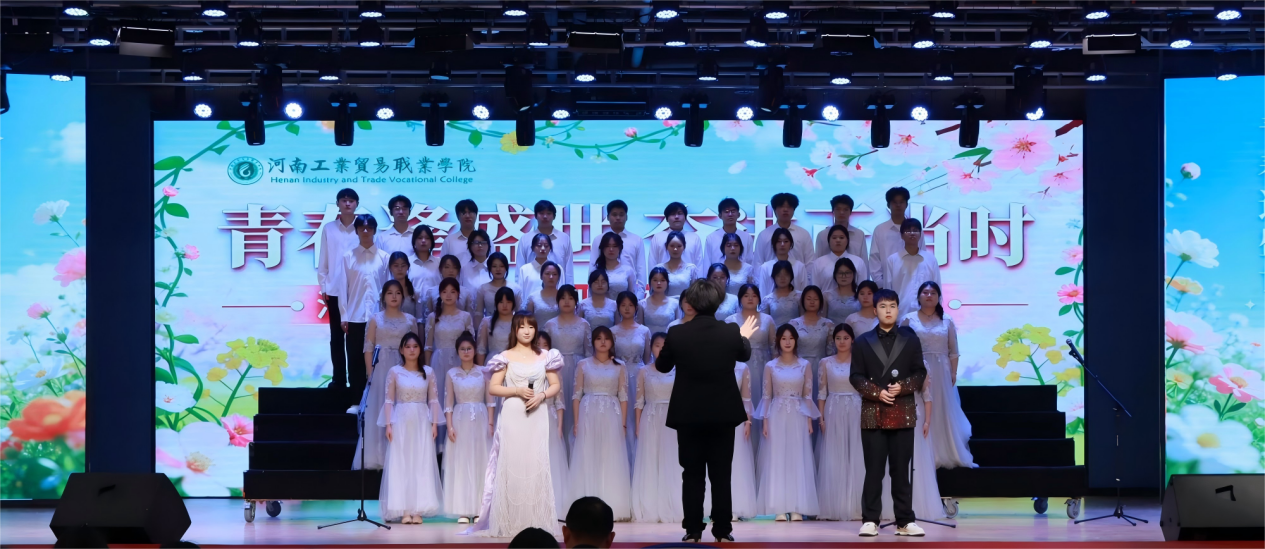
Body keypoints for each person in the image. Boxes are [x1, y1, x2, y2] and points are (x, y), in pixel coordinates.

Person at [655, 279, 759, 543]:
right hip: (722, 414)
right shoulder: (730, 331)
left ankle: (693, 530)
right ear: (718, 302)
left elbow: (662, 367)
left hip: (688, 415)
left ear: (690, 303)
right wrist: (743, 337)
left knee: (692, 473)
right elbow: (744, 354)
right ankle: (722, 530)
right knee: (721, 473)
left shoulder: (677, 333)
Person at [473, 313, 564, 537]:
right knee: (512, 463)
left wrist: (541, 395)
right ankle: (511, 521)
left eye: (531, 327)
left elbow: (555, 385)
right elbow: (493, 387)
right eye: (522, 327)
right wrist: (517, 390)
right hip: (513, 413)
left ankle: (535, 521)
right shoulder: (504, 357)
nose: (526, 331)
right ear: (515, 330)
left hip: (537, 413)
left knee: (536, 463)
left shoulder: (546, 356)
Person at [850, 289, 928, 537]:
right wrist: (877, 392)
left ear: (898, 309)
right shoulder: (862, 341)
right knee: (873, 470)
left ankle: (904, 521)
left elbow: (920, 373)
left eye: (892, 306)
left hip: (902, 411)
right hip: (873, 413)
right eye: (883, 306)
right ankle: (870, 520)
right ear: (874, 310)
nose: (888, 311)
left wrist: (902, 387)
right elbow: (855, 376)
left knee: (900, 470)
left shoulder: (910, 339)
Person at [901, 281, 975, 469]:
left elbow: (953, 351)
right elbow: (901, 348)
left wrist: (953, 372)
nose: (929, 296)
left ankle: (944, 451)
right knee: (920, 408)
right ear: (919, 296)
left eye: (933, 293)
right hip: (917, 369)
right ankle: (921, 453)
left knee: (941, 408)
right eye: (925, 292)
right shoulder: (908, 319)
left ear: (939, 297)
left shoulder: (947, 320)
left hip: (942, 371)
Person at [755, 324, 821, 521]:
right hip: (776, 413)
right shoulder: (770, 366)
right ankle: (779, 507)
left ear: (796, 341)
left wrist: (809, 420)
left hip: (798, 414)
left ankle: (797, 507)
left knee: (797, 457)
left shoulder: (804, 365)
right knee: (777, 457)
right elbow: (766, 396)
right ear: (778, 341)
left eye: (791, 338)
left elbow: (807, 395)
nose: (787, 342)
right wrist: (765, 421)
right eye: (783, 338)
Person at [569, 326, 632, 521]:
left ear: (612, 342)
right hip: (588, 412)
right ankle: (586, 507)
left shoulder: (620, 366)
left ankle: (612, 504)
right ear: (593, 342)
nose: (603, 342)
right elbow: (576, 395)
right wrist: (577, 422)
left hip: (612, 413)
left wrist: (623, 424)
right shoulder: (583, 364)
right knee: (588, 455)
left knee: (610, 456)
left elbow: (623, 397)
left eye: (606, 338)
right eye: (598, 338)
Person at [380, 332, 444, 524]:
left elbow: (433, 400)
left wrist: (434, 424)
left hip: (422, 420)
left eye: (415, 346)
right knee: (402, 462)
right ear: (401, 349)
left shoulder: (428, 372)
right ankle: (405, 509)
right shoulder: (394, 372)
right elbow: (389, 400)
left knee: (421, 461)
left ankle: (418, 510)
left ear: (420, 349)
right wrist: (388, 425)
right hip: (401, 420)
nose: (411, 350)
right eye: (407, 346)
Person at [353, 280, 417, 470]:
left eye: (398, 293)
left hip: (404, 367)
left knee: (402, 408)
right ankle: (378, 457)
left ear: (403, 297)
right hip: (381, 369)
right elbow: (368, 347)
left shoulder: (410, 320)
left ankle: (402, 456)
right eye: (390, 293)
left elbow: (415, 346)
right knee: (380, 408)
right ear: (383, 297)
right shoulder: (375, 319)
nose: (394, 296)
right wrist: (370, 373)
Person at [631, 325, 682, 523]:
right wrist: (638, 425)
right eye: (657, 345)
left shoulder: (679, 370)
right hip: (650, 417)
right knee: (651, 459)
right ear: (651, 348)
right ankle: (651, 506)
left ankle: (675, 504)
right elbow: (639, 401)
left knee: (673, 460)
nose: (660, 349)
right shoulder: (643, 371)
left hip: (673, 418)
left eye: (664, 345)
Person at [444, 331, 495, 523]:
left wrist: (490, 423)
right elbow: (448, 403)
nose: (466, 352)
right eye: (462, 349)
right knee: (462, 461)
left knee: (481, 460)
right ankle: (463, 510)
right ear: (457, 352)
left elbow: (490, 400)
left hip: (480, 418)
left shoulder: (484, 371)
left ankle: (481, 508)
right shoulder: (451, 373)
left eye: (469, 348)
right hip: (460, 418)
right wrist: (449, 426)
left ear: (474, 350)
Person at [816, 324, 865, 521]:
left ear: (852, 340)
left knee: (856, 454)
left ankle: (856, 506)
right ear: (833, 341)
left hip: (856, 408)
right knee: (835, 455)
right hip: (833, 408)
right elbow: (821, 392)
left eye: (846, 338)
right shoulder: (825, 363)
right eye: (838, 338)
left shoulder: (861, 361)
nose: (842, 341)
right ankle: (834, 506)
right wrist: (821, 417)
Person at [340, 213, 390, 406]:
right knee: (354, 360)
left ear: (375, 230)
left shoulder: (384, 258)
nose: (366, 231)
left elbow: (388, 288)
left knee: (379, 361)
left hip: (379, 318)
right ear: (357, 231)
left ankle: (378, 403)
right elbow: (342, 288)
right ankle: (356, 402)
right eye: (362, 227)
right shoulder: (348, 257)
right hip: (355, 317)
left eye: (369, 227)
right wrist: (344, 316)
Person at [318, 189, 361, 398]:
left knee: (356, 338)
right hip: (334, 290)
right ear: (337, 203)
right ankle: (338, 379)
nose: (347, 204)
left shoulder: (363, 227)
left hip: (357, 290)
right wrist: (324, 287)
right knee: (336, 337)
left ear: (357, 204)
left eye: (351, 200)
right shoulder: (329, 228)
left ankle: (357, 379)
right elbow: (323, 260)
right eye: (344, 200)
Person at [725, 284, 776, 446]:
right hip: (738, 368)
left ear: (759, 299)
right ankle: (742, 445)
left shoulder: (768, 319)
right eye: (746, 295)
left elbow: (774, 348)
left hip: (762, 367)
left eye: (754, 295)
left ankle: (762, 445)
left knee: (761, 400)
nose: (750, 298)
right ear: (740, 298)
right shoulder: (730, 320)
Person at [545, 285, 593, 442]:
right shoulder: (550, 324)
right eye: (563, 298)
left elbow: (589, 352)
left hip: (578, 369)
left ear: (576, 302)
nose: (566, 301)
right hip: (556, 369)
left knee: (576, 407)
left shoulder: (584, 324)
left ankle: (576, 447)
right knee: (558, 405)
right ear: (557, 301)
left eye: (571, 298)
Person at [533, 332, 572, 519]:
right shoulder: (527, 368)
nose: (541, 347)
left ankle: (553, 506)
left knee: (551, 460)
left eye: (545, 344)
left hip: (549, 417)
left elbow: (559, 401)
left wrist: (559, 426)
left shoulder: (554, 372)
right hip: (532, 417)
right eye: (538, 344)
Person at [611, 292, 652, 464]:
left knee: (639, 415)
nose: (627, 308)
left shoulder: (644, 330)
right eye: (623, 305)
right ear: (618, 308)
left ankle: (640, 461)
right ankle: (622, 461)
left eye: (630, 305)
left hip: (639, 376)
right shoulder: (612, 331)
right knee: (621, 416)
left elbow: (648, 358)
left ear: (636, 308)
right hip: (618, 377)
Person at [424, 277, 476, 415]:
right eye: (444, 291)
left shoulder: (465, 316)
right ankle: (440, 428)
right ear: (440, 294)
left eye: (452, 292)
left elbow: (471, 343)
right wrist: (427, 369)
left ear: (458, 294)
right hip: (438, 361)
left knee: (461, 395)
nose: (448, 295)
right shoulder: (432, 317)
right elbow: (428, 346)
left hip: (460, 360)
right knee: (439, 395)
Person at [882, 218, 941, 318]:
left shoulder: (931, 259)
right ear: (901, 235)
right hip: (900, 315)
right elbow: (887, 291)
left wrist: (938, 314)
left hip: (928, 315)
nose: (912, 233)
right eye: (908, 230)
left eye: (915, 230)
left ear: (920, 234)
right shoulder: (892, 260)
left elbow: (937, 288)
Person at [868, 187, 925, 285]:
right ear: (888, 205)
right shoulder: (880, 229)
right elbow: (874, 258)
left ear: (906, 204)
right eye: (895, 202)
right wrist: (880, 284)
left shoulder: (916, 229)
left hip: (913, 283)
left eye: (901, 202)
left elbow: (922, 254)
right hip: (887, 284)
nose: (898, 205)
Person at [789, 285, 834, 399]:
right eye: (808, 299)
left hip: (820, 368)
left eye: (815, 299)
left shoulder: (828, 324)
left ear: (821, 302)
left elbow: (830, 352)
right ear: (803, 301)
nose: (812, 302)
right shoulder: (794, 324)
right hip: (798, 368)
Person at [518, 200, 575, 285]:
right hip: (532, 288)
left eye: (548, 213)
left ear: (554, 216)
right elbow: (519, 269)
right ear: (535, 216)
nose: (545, 216)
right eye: (541, 213)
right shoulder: (525, 239)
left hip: (558, 289)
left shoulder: (564, 238)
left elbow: (568, 270)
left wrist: (569, 289)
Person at [592, 200, 646, 288]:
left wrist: (639, 293)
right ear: (608, 217)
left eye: (621, 215)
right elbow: (593, 267)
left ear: (626, 217)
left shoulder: (636, 240)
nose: (618, 218)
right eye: (614, 214)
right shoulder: (599, 239)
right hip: (604, 291)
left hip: (629, 291)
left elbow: (641, 269)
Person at [730, 360, 759, 520]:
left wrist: (748, 421)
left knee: (737, 460)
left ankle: (736, 506)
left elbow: (746, 398)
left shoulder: (742, 367)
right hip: (715, 417)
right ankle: (716, 507)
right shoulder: (711, 360)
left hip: (736, 417)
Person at [754, 193, 814, 266]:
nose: (785, 210)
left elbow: (809, 262)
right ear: (774, 210)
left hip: (797, 273)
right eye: (781, 206)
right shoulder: (764, 234)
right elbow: (758, 262)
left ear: (794, 210)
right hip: (770, 273)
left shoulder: (803, 234)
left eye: (789, 207)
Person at [810, 225, 868, 293]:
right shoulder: (819, 263)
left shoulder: (858, 262)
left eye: (841, 237)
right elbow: (815, 290)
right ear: (828, 241)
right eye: (834, 238)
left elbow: (863, 289)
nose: (838, 240)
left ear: (847, 240)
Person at [702, 198, 756, 268]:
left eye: (733, 211)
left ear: (738, 214)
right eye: (726, 211)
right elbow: (707, 264)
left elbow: (750, 262)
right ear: (720, 215)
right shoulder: (711, 238)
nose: (730, 214)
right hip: (717, 274)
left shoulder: (746, 237)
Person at [420, 255, 475, 323]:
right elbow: (427, 318)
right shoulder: (431, 292)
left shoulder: (465, 292)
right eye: (447, 267)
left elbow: (470, 318)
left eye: (455, 267)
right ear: (440, 269)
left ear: (458, 271)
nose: (451, 271)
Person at [649, 202, 704, 269]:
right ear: (666, 218)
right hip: (663, 275)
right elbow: (652, 262)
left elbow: (699, 264)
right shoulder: (657, 237)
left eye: (680, 213)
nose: (677, 217)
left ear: (685, 217)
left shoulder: (694, 237)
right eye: (672, 214)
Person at [814, 194, 868, 260]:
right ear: (833, 211)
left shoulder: (859, 234)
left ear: (850, 212)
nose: (842, 212)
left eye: (846, 209)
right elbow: (818, 259)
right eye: (838, 209)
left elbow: (864, 260)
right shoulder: (823, 235)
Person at [757, 227, 809, 298]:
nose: (782, 244)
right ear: (774, 244)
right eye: (779, 241)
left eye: (786, 241)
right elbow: (762, 293)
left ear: (791, 244)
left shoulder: (800, 267)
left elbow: (804, 293)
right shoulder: (765, 267)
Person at [409, 225, 441, 334]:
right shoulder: (407, 263)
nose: (423, 241)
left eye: (427, 238)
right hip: (412, 311)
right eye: (420, 238)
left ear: (432, 242)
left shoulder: (439, 263)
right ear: (414, 241)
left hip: (435, 312)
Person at [593, 231, 642, 300]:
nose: (611, 249)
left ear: (620, 248)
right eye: (607, 246)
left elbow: (633, 295)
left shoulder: (628, 270)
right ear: (602, 249)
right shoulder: (596, 271)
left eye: (614, 246)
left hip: (623, 306)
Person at [476, 287, 516, 365]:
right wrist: (480, 369)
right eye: (501, 302)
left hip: (514, 362)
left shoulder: (519, 321)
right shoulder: (487, 322)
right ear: (496, 304)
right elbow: (481, 349)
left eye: (508, 302)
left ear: (513, 304)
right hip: (493, 362)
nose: (505, 305)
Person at [475, 252, 517, 321]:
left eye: (501, 266)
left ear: (506, 268)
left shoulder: (515, 288)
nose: (498, 269)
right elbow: (478, 313)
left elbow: (519, 313)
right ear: (489, 268)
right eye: (494, 266)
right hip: (489, 325)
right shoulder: (483, 289)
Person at [460, 230, 494, 316]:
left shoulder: (495, 267)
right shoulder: (464, 269)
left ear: (489, 245)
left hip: (492, 316)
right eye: (476, 243)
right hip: (470, 316)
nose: (480, 245)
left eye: (483, 242)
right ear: (470, 246)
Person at [638, 267, 681, 334]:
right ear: (650, 282)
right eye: (655, 280)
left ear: (667, 282)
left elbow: (678, 327)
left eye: (662, 280)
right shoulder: (642, 304)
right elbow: (639, 329)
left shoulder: (675, 303)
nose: (658, 283)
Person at [654, 231, 696, 298]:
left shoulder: (691, 268)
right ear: (666, 246)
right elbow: (654, 294)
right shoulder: (659, 269)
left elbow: (695, 294)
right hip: (664, 304)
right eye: (672, 246)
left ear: (684, 246)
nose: (675, 249)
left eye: (679, 246)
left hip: (685, 304)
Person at [761, 260, 802, 328]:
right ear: (774, 277)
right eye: (778, 275)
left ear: (791, 276)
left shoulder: (799, 297)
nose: (782, 278)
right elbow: (764, 324)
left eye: (786, 274)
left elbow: (804, 320)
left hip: (795, 333)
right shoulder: (767, 299)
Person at [440, 199, 479, 265]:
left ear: (476, 215)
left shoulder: (485, 240)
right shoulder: (449, 240)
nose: (467, 216)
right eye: (463, 213)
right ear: (458, 216)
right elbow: (443, 266)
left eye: (470, 212)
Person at [824, 258, 862, 326]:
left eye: (847, 273)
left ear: (853, 274)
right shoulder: (826, 296)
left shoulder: (861, 295)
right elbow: (822, 320)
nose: (843, 276)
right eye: (840, 273)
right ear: (835, 275)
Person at [525, 261, 564, 326]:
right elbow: (527, 322)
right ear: (541, 276)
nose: (551, 277)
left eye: (554, 274)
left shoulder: (563, 297)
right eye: (547, 273)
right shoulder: (533, 297)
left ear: (559, 277)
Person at [517, 233, 554, 298]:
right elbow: (520, 295)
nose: (543, 248)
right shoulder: (524, 269)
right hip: (529, 304)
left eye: (546, 246)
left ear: (550, 248)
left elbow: (560, 292)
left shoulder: (557, 269)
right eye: (539, 245)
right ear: (532, 248)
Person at [388, 251, 419, 318]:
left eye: (403, 266)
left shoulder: (415, 293)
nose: (400, 269)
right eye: (396, 266)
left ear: (408, 267)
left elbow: (419, 318)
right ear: (390, 268)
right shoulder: (384, 292)